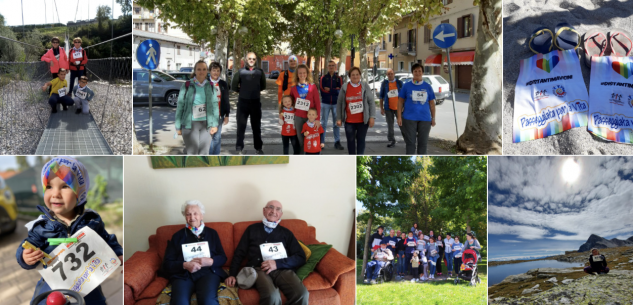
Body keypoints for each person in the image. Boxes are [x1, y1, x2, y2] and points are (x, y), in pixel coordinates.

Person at [16, 157, 122, 305]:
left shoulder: (92, 220)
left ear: (81, 193)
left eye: (65, 186)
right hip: (53, 286)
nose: (55, 194)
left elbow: (107, 240)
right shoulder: (40, 226)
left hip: (88, 283)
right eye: (49, 187)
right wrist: (25, 256)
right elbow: (28, 244)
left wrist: (119, 254)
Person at [225, 200, 308, 305]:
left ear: (280, 214)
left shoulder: (286, 233)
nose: (274, 211)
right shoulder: (252, 229)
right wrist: (232, 274)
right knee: (272, 296)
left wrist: (277, 264)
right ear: (264, 211)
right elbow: (239, 253)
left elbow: (300, 257)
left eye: (278, 209)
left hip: (282, 269)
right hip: (259, 269)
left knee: (302, 293)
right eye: (271, 207)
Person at [163, 201, 228, 305]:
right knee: (180, 302)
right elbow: (167, 263)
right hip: (183, 275)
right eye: (188, 214)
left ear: (201, 215)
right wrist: (184, 265)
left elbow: (223, 257)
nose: (192, 217)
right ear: (185, 216)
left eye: (195, 213)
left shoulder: (212, 233)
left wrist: (211, 261)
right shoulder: (177, 236)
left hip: (208, 273)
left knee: (208, 302)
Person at [175, 60, 219, 154]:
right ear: (195, 71)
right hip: (189, 124)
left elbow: (215, 106)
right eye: (199, 69)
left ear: (207, 71)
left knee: (204, 153)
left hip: (207, 124)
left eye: (204, 69)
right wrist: (178, 126)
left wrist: (215, 124)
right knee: (192, 153)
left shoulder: (211, 86)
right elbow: (180, 106)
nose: (201, 72)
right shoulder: (187, 85)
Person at [231, 52, 267, 154]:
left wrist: (254, 91)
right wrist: (243, 92)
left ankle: (258, 148)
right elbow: (234, 86)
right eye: (250, 58)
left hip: (255, 103)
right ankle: (239, 148)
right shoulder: (240, 72)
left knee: (256, 127)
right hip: (243, 103)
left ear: (255, 60)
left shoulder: (260, 72)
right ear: (246, 59)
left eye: (254, 59)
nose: (251, 60)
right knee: (241, 127)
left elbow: (263, 86)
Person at [397, 63, 436, 154]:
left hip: (425, 119)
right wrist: (399, 116)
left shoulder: (427, 86)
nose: (417, 73)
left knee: (423, 143)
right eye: (415, 71)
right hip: (409, 118)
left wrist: (433, 118)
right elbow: (400, 102)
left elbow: (432, 104)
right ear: (412, 73)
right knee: (410, 143)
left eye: (419, 71)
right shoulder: (406, 86)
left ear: (422, 73)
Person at [336, 67, 376, 154]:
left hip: (362, 121)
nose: (355, 76)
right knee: (350, 142)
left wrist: (372, 117)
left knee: (361, 141)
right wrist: (339, 118)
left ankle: (360, 156)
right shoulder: (345, 87)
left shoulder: (365, 86)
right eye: (353, 75)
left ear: (360, 75)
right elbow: (339, 103)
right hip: (349, 121)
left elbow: (371, 102)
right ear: (349, 76)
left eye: (357, 74)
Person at [290, 64, 321, 154]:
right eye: (300, 73)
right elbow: (291, 103)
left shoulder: (313, 87)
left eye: (304, 73)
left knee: (311, 138)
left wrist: (318, 119)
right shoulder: (293, 88)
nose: (302, 75)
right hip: (299, 118)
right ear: (297, 75)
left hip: (311, 118)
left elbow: (318, 104)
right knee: (301, 140)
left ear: (307, 74)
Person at [319, 60, 344, 150]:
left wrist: (330, 90)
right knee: (323, 124)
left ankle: (337, 142)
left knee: (336, 124)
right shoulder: (323, 78)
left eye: (333, 65)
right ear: (327, 67)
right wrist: (334, 90)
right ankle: (321, 142)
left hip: (335, 104)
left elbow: (340, 91)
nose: (331, 67)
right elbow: (322, 91)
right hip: (325, 103)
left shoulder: (339, 79)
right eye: (329, 65)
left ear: (335, 67)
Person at [208, 62, 231, 155]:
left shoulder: (223, 84)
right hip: (207, 116)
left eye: (218, 71)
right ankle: (208, 156)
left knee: (217, 138)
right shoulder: (205, 83)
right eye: (214, 70)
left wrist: (227, 115)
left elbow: (226, 100)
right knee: (209, 137)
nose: (216, 73)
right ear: (210, 71)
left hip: (219, 115)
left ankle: (215, 156)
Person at [379, 69, 404, 148]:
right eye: (388, 74)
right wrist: (381, 108)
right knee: (390, 125)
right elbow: (381, 97)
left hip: (399, 108)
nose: (390, 75)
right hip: (388, 108)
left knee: (402, 125)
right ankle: (391, 140)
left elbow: (404, 96)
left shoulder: (399, 83)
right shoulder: (384, 84)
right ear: (386, 75)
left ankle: (408, 140)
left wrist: (404, 106)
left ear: (394, 74)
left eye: (391, 73)